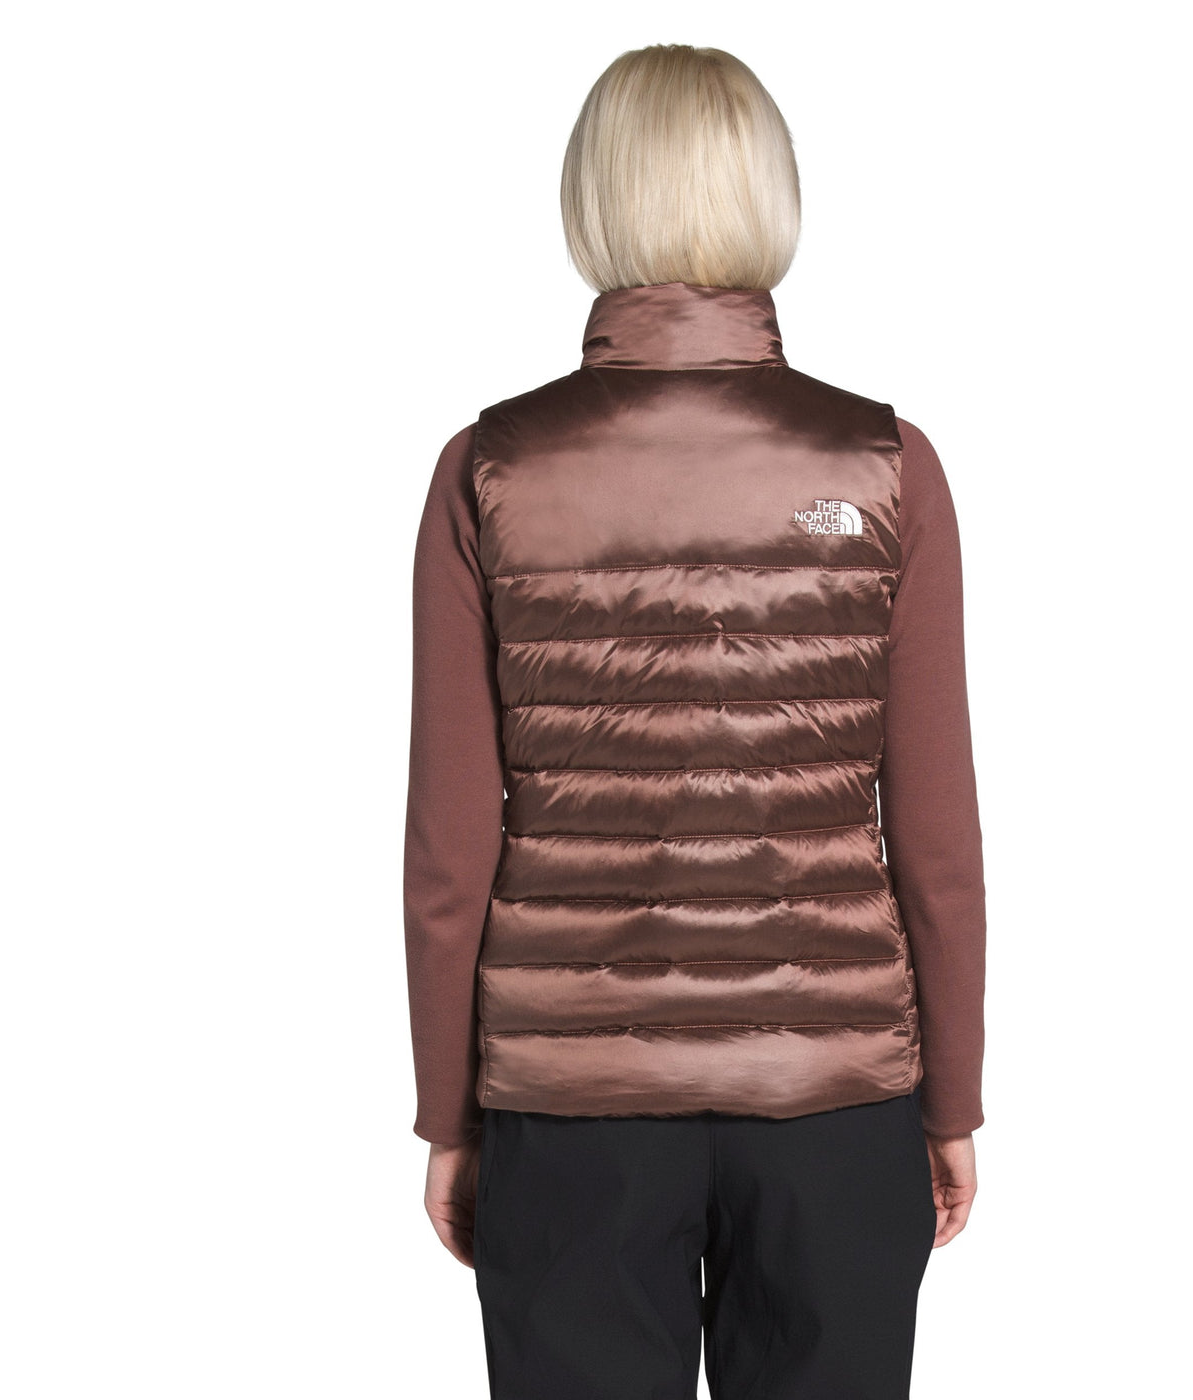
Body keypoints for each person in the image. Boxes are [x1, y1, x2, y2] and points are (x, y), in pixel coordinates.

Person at [403, 43, 987, 1400]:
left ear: (590, 199)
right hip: (837, 1098)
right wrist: (950, 1097)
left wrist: (450, 1114)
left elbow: (449, 850)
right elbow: (937, 838)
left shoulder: (489, 469)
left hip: (570, 1111)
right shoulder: (885, 466)